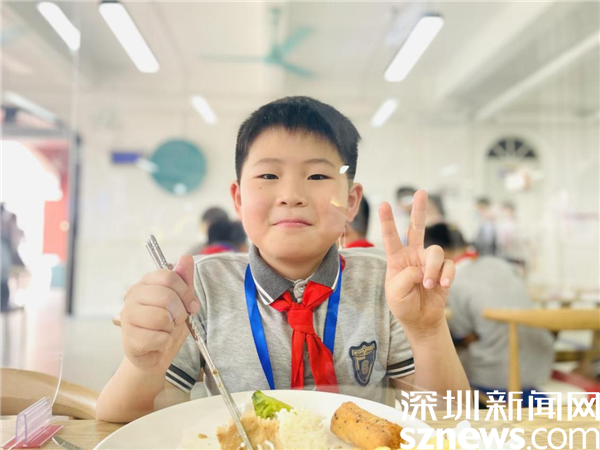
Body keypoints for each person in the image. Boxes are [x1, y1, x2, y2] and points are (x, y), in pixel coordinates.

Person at [96, 96, 468, 423]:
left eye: (318, 175)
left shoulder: (385, 284)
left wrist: (428, 332)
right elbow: (124, 420)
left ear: (351, 202)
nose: (291, 194)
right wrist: (144, 367)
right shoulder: (202, 288)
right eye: (269, 174)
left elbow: (447, 418)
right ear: (238, 198)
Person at [424, 223, 554, 407]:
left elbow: (462, 337)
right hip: (541, 367)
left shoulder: (451, 281)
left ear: (437, 253)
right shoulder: (500, 265)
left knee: (439, 359)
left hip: (496, 378)